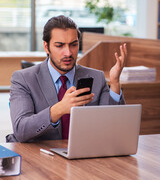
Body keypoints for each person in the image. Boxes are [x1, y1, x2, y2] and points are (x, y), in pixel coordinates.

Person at [6, 15, 127, 143]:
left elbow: (112, 126)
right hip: (39, 154)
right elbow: (21, 130)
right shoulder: (23, 79)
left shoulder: (96, 77)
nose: (68, 53)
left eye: (73, 45)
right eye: (60, 46)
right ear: (46, 47)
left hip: (80, 153)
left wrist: (114, 83)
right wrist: (59, 109)